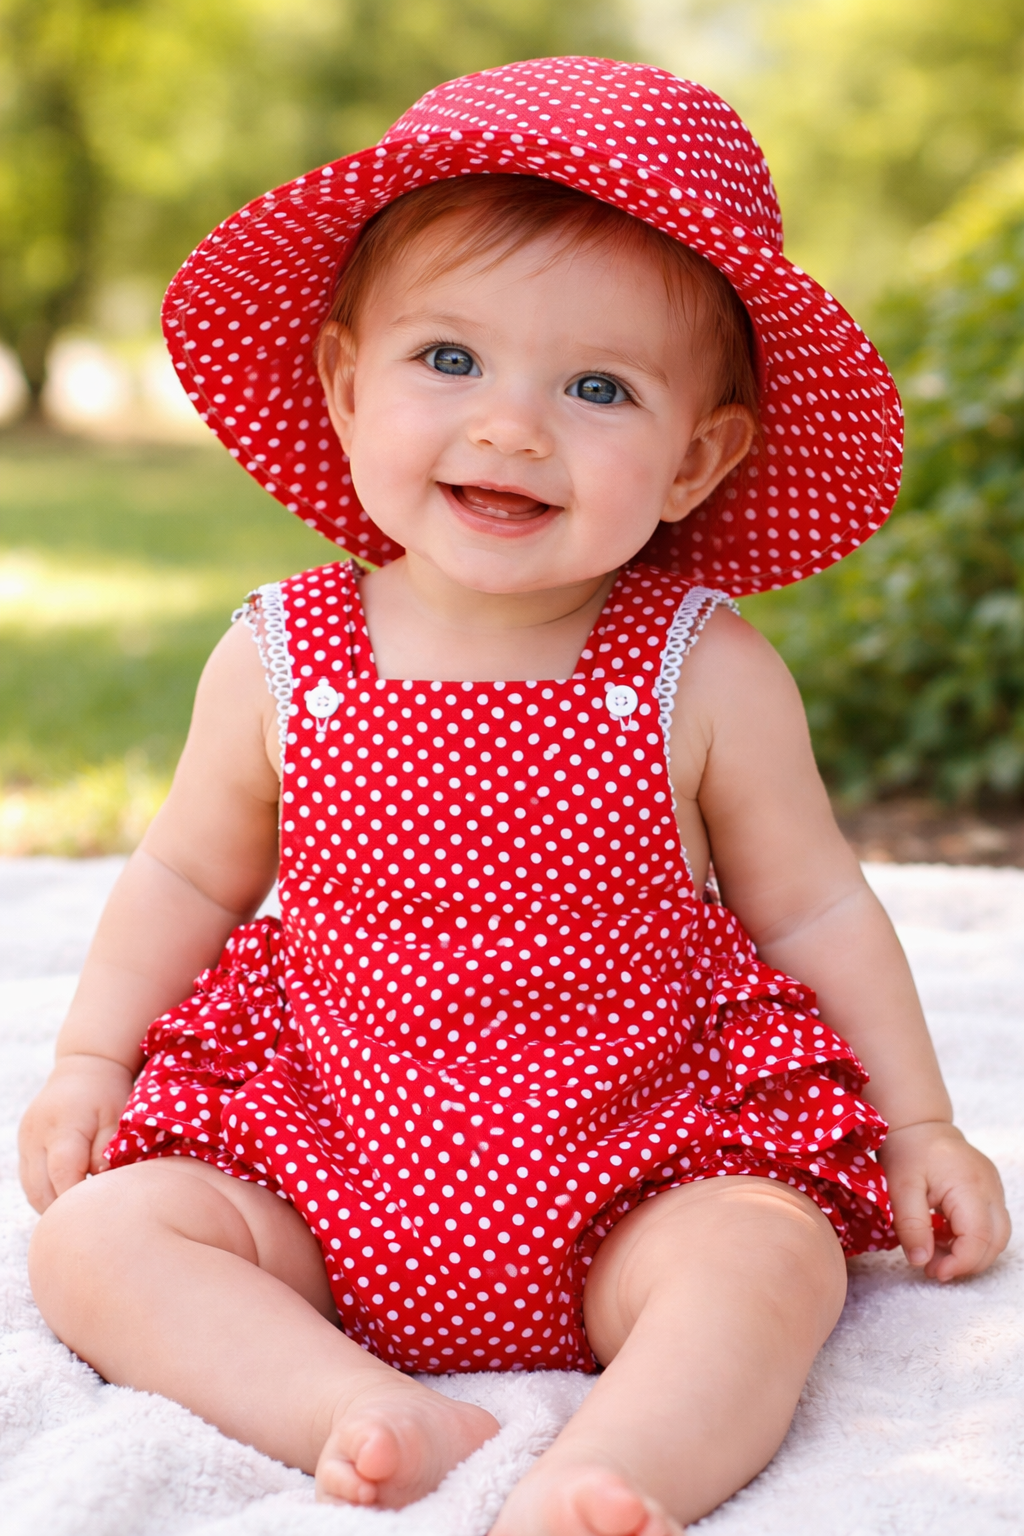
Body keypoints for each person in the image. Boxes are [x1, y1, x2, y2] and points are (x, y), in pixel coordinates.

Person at [18, 57, 1009, 1536]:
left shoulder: (698, 670)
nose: (512, 426)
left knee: (775, 1258)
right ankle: (350, 1407)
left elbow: (813, 903)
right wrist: (94, 1060)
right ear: (346, 384)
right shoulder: (283, 656)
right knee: (94, 1244)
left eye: (598, 387)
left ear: (698, 456)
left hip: (636, 1169)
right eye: (449, 361)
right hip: (325, 1161)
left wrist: (920, 1125)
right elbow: (184, 880)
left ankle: (616, 1474)